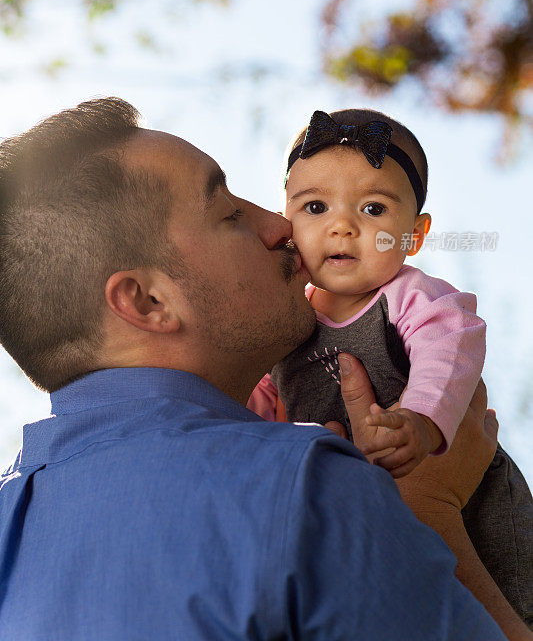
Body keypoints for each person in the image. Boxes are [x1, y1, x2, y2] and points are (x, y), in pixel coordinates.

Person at [0, 97, 523, 640]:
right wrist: (429, 510)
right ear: (148, 301)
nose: (282, 225)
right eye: (229, 213)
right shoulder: (306, 494)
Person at [249, 108, 533, 628]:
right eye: (315, 206)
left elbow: (451, 343)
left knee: (508, 592)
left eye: (374, 208)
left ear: (413, 236)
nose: (342, 225)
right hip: (357, 507)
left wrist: (421, 421)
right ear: (287, 221)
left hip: (461, 488)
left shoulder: (407, 296)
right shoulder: (287, 319)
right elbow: (258, 402)